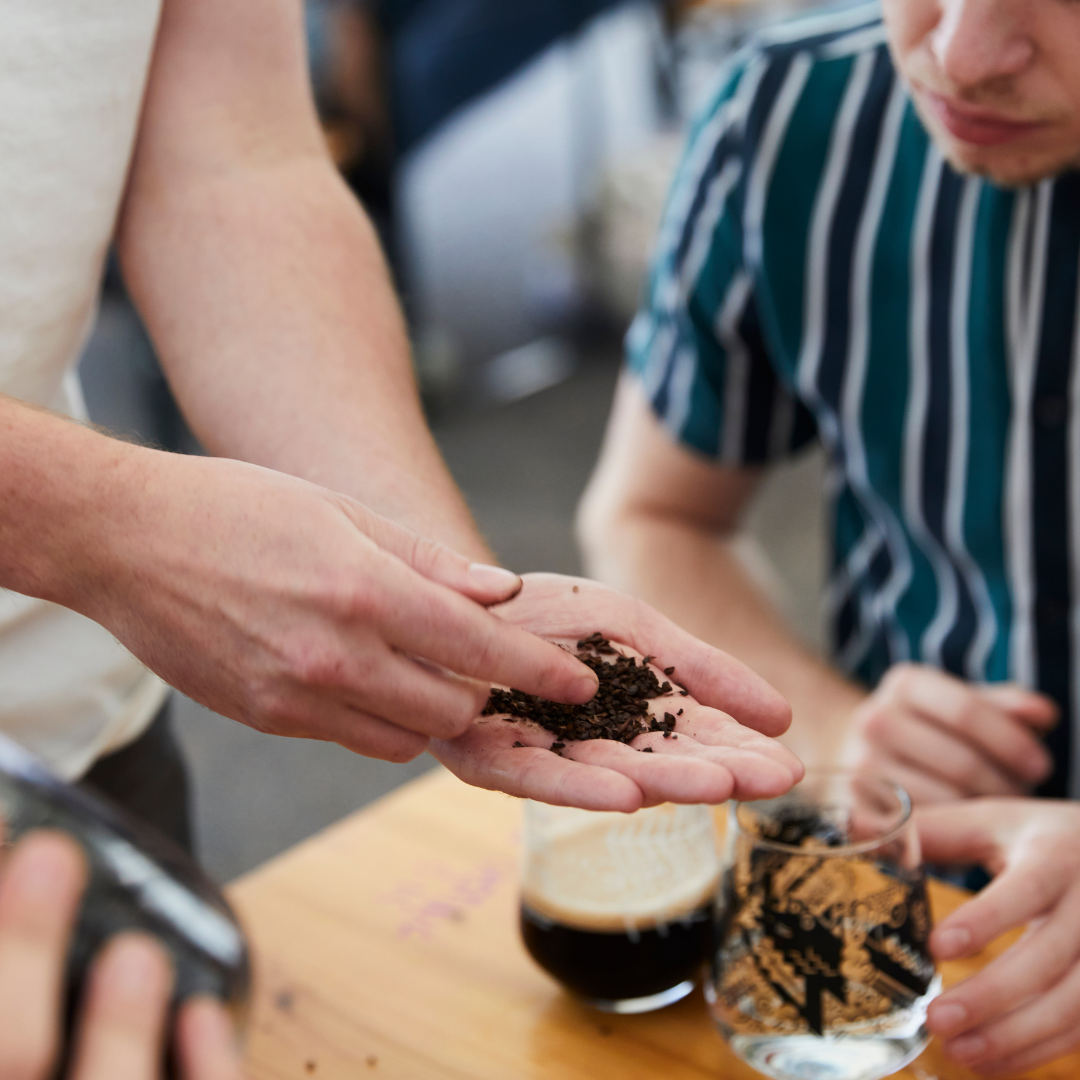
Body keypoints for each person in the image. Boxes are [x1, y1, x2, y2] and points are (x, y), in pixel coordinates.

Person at [578, 0, 1080, 1069]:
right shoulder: (794, 108)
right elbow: (646, 514)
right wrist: (842, 735)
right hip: (880, 930)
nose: (959, 56)